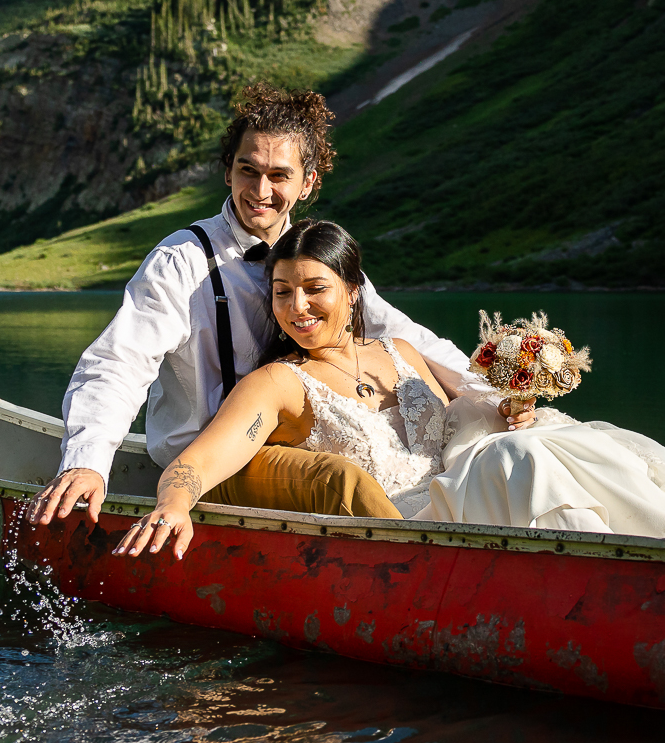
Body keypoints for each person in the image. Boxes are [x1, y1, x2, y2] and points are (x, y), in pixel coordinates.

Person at [28, 84, 499, 528]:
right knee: (341, 478)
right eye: (248, 170)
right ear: (228, 170)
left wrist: (495, 398)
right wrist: (87, 463)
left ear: (308, 182)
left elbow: (408, 339)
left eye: (279, 175)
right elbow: (118, 364)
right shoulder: (181, 261)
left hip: (300, 438)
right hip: (218, 459)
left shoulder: (317, 256)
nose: (260, 190)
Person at [115, 220, 665, 561]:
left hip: (466, 494)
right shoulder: (279, 382)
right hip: (413, 529)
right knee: (516, 459)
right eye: (282, 293)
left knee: (553, 445)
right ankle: (615, 568)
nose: (297, 307)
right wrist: (174, 505)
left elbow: (470, 410)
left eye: (315, 289)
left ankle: (641, 552)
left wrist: (511, 407)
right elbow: (200, 462)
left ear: (352, 293)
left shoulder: (400, 351)